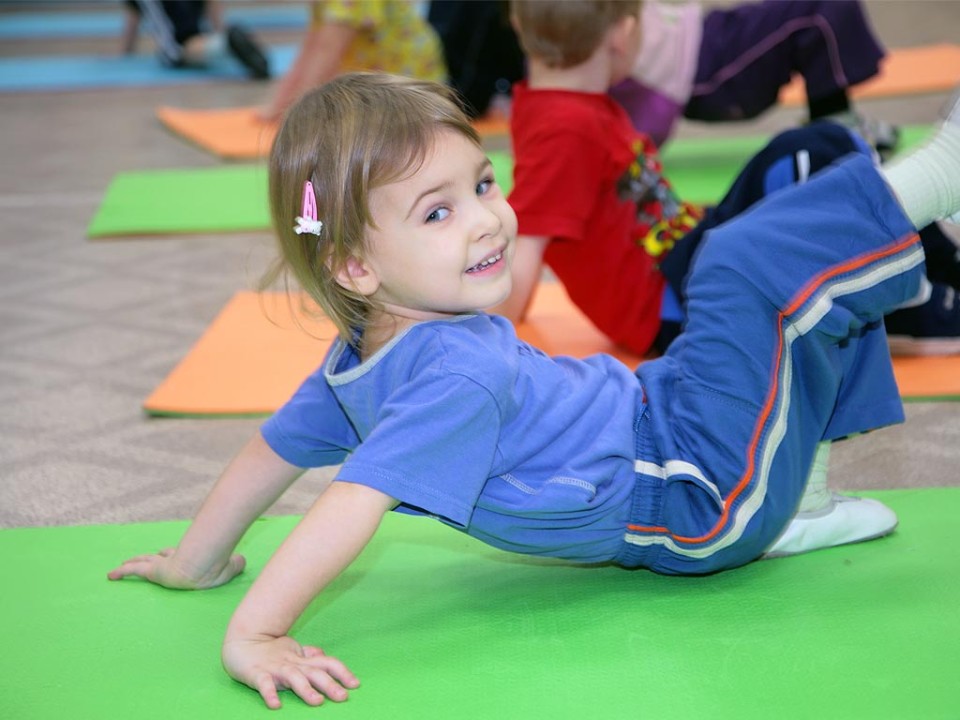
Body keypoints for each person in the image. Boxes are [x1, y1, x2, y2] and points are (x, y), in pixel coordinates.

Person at [108, 69, 960, 708]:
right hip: (700, 497)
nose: (487, 218)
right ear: (356, 265)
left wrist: (197, 563)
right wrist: (253, 631)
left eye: (482, 184)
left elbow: (267, 456)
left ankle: (802, 508)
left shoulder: (361, 359)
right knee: (747, 265)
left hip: (665, 417)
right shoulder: (451, 378)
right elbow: (345, 501)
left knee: (793, 261)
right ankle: (944, 178)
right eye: (436, 213)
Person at [608, 0, 898, 154]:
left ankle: (835, 119)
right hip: (704, 74)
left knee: (817, 8)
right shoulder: (590, 36)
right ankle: (836, 129)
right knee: (820, 11)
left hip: (700, 30)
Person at [257, 0, 446, 122]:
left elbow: (328, 51)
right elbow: (312, 45)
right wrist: (279, 104)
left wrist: (296, 112)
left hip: (404, 81)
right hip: (371, 80)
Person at [121, 0, 270, 79]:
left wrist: (126, 53)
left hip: (176, 43)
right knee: (194, 41)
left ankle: (224, 43)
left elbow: (132, 22)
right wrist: (220, 30)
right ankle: (223, 41)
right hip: (197, 33)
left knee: (177, 50)